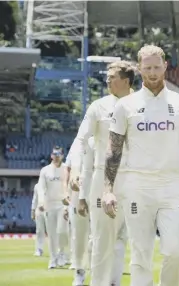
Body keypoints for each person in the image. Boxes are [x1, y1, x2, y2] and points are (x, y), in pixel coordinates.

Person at [102, 44, 179, 286]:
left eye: (156, 67)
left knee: (177, 252)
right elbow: (113, 150)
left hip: (172, 186)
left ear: (165, 66)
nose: (152, 72)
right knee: (140, 256)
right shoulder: (125, 106)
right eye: (147, 67)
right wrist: (107, 189)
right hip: (136, 188)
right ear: (140, 69)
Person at [69, 60, 136, 286]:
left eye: (112, 76)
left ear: (126, 81)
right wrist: (76, 169)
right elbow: (80, 140)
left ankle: (113, 282)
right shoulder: (98, 106)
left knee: (122, 239)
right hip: (102, 175)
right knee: (100, 238)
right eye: (106, 77)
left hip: (134, 177)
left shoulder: (142, 104)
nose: (107, 80)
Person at [64, 137, 93, 286]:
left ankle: (97, 274)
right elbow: (68, 168)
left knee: (96, 237)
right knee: (78, 236)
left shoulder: (102, 136)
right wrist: (65, 192)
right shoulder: (76, 142)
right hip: (76, 195)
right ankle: (79, 272)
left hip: (96, 192)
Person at [37, 146, 70, 269]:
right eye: (54, 154)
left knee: (62, 231)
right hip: (49, 205)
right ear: (51, 155)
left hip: (63, 205)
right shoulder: (45, 170)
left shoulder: (66, 168)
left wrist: (69, 204)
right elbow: (41, 187)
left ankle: (62, 254)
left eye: (59, 154)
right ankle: (53, 258)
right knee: (51, 234)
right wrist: (41, 202)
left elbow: (70, 188)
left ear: (62, 155)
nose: (56, 156)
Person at [31, 183, 46, 257]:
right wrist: (33, 211)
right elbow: (35, 199)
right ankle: (39, 249)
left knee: (54, 232)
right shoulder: (37, 186)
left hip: (51, 209)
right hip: (39, 211)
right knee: (39, 231)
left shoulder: (53, 183)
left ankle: (58, 251)